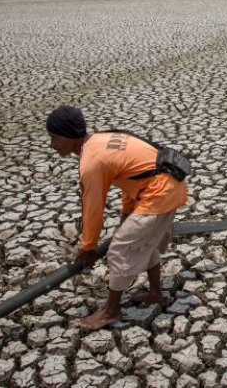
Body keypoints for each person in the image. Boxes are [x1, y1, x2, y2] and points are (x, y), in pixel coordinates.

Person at [46, 104, 188, 330]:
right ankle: (155, 293)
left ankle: (111, 311)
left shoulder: (91, 162)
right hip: (168, 186)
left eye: (55, 138)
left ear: (69, 135)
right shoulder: (101, 139)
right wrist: (126, 214)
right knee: (144, 243)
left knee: (119, 250)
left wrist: (89, 247)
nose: (52, 145)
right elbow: (132, 177)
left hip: (159, 194)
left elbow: (93, 208)